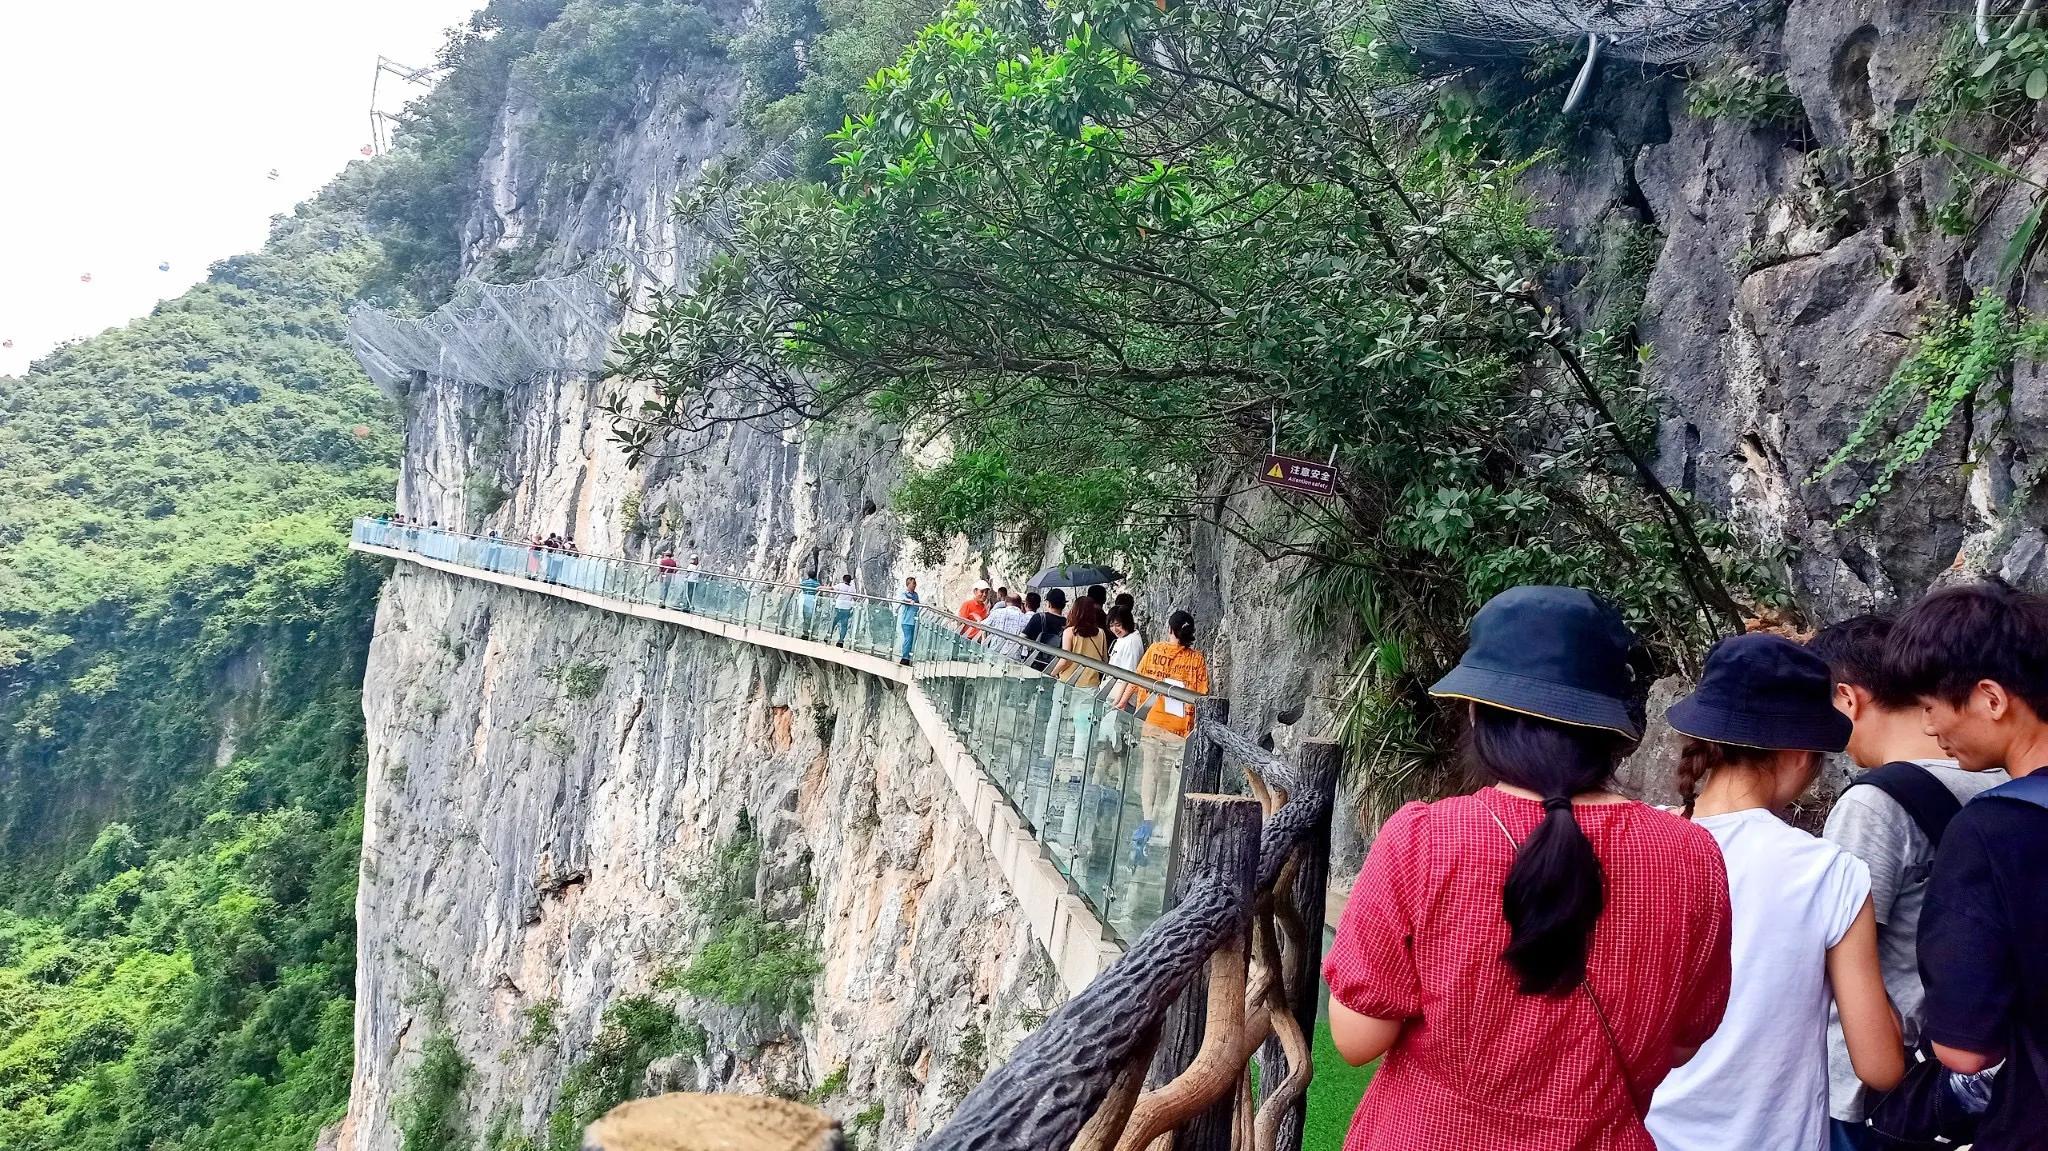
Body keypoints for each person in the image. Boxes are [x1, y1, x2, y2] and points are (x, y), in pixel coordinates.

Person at [1325, 586, 1733, 1151]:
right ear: (1614, 732)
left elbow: (1357, 1037)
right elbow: (1685, 1038)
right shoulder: (1692, 859)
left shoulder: (1424, 839)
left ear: (1475, 711)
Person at [1646, 633, 1903, 1151]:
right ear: (1796, 753)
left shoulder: (1639, 843)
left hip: (1647, 1132)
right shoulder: (1828, 872)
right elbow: (1880, 1067)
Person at [1809, 615, 2010, 1149]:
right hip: (1979, 1071)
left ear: (1848, 698)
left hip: (1879, 1089)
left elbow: (1836, 949)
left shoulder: (1873, 804)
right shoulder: (2008, 784)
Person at [1888, 579, 2048, 1150]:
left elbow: (1966, 1048)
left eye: (1931, 706)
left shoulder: (1989, 831)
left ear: (1991, 698)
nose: (1930, 728)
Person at [1126, 610, 1212, 865]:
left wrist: (1121, 703)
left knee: (1150, 773)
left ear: (1170, 629)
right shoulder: (1197, 660)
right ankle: (1164, 826)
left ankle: (1148, 819)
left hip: (1153, 722)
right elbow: (1202, 695)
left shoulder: (1154, 650)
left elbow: (1136, 680)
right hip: (1179, 728)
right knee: (1172, 778)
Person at [1043, 596, 1110, 760]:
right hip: (1091, 684)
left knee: (1056, 721)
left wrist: (1050, 673)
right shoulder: (1100, 633)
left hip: (1068, 683)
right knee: (1083, 726)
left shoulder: (1069, 632)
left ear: (1075, 611)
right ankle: (1078, 762)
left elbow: (1066, 659)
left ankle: (1049, 754)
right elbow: (1104, 660)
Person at [1100, 606, 1146, 747]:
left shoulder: (1132, 641)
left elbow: (1128, 675)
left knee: (1117, 742)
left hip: (1123, 698)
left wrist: (1120, 702)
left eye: (1118, 625)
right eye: (1112, 625)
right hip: (1114, 693)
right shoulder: (1123, 638)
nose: (1115, 629)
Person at [1022, 589, 1066, 670]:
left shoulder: (1039, 617)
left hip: (1034, 663)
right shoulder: (1067, 624)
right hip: (1054, 667)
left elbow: (1022, 637)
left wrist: (1030, 648)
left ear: (1048, 604)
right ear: (1064, 605)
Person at [987, 592, 1030, 658]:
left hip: (994, 652)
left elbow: (984, 625)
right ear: (1020, 604)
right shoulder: (1026, 619)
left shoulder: (997, 612)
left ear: (1005, 602)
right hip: (1014, 656)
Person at [897, 576, 923, 665]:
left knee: (912, 640)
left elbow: (918, 603)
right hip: (906, 621)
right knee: (908, 639)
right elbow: (902, 599)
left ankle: (909, 657)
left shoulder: (916, 594)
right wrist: (909, 601)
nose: (915, 585)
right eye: (913, 583)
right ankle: (904, 657)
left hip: (914, 621)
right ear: (908, 584)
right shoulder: (905, 593)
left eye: (915, 583)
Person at [831, 574, 858, 647]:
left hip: (838, 607)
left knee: (833, 622)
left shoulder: (840, 585)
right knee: (844, 625)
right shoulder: (852, 588)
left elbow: (831, 589)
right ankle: (841, 640)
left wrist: (821, 587)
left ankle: (828, 635)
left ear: (843, 579)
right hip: (847, 608)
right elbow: (855, 597)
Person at [798, 570, 821, 636]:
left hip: (806, 599)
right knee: (812, 616)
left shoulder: (805, 582)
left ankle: (805, 632)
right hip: (813, 600)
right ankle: (812, 632)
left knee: (805, 616)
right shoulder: (817, 583)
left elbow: (801, 587)